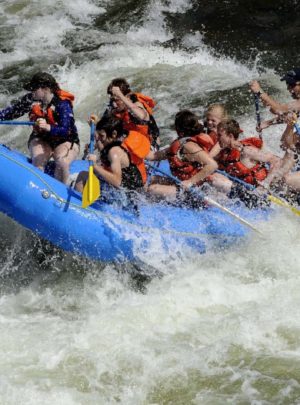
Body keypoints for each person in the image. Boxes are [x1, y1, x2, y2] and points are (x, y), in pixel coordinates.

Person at [0, 72, 80, 184]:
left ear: (46, 89)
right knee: (38, 161)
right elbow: (11, 112)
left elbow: (66, 130)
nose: (31, 91)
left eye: (34, 89)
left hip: (64, 139)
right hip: (42, 138)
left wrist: (48, 127)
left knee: (62, 162)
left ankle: (61, 189)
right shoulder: (31, 100)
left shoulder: (62, 104)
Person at [147, 110, 218, 203]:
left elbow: (212, 165)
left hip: (195, 191)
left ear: (178, 130)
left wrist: (190, 182)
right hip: (181, 183)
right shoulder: (179, 144)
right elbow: (154, 156)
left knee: (153, 189)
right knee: (152, 179)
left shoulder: (189, 146)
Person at [75, 118, 148, 193]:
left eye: (101, 136)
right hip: (130, 189)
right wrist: (93, 128)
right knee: (96, 171)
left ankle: (76, 203)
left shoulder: (114, 152)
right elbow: (102, 146)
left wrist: (95, 165)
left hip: (125, 194)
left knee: (82, 175)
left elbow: (117, 182)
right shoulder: (116, 142)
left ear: (114, 134)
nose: (99, 139)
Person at [97, 77, 160, 150]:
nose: (114, 104)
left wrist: (120, 95)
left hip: (148, 148)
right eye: (112, 100)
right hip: (129, 144)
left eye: (117, 100)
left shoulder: (136, 105)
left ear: (127, 97)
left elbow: (142, 116)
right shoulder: (113, 108)